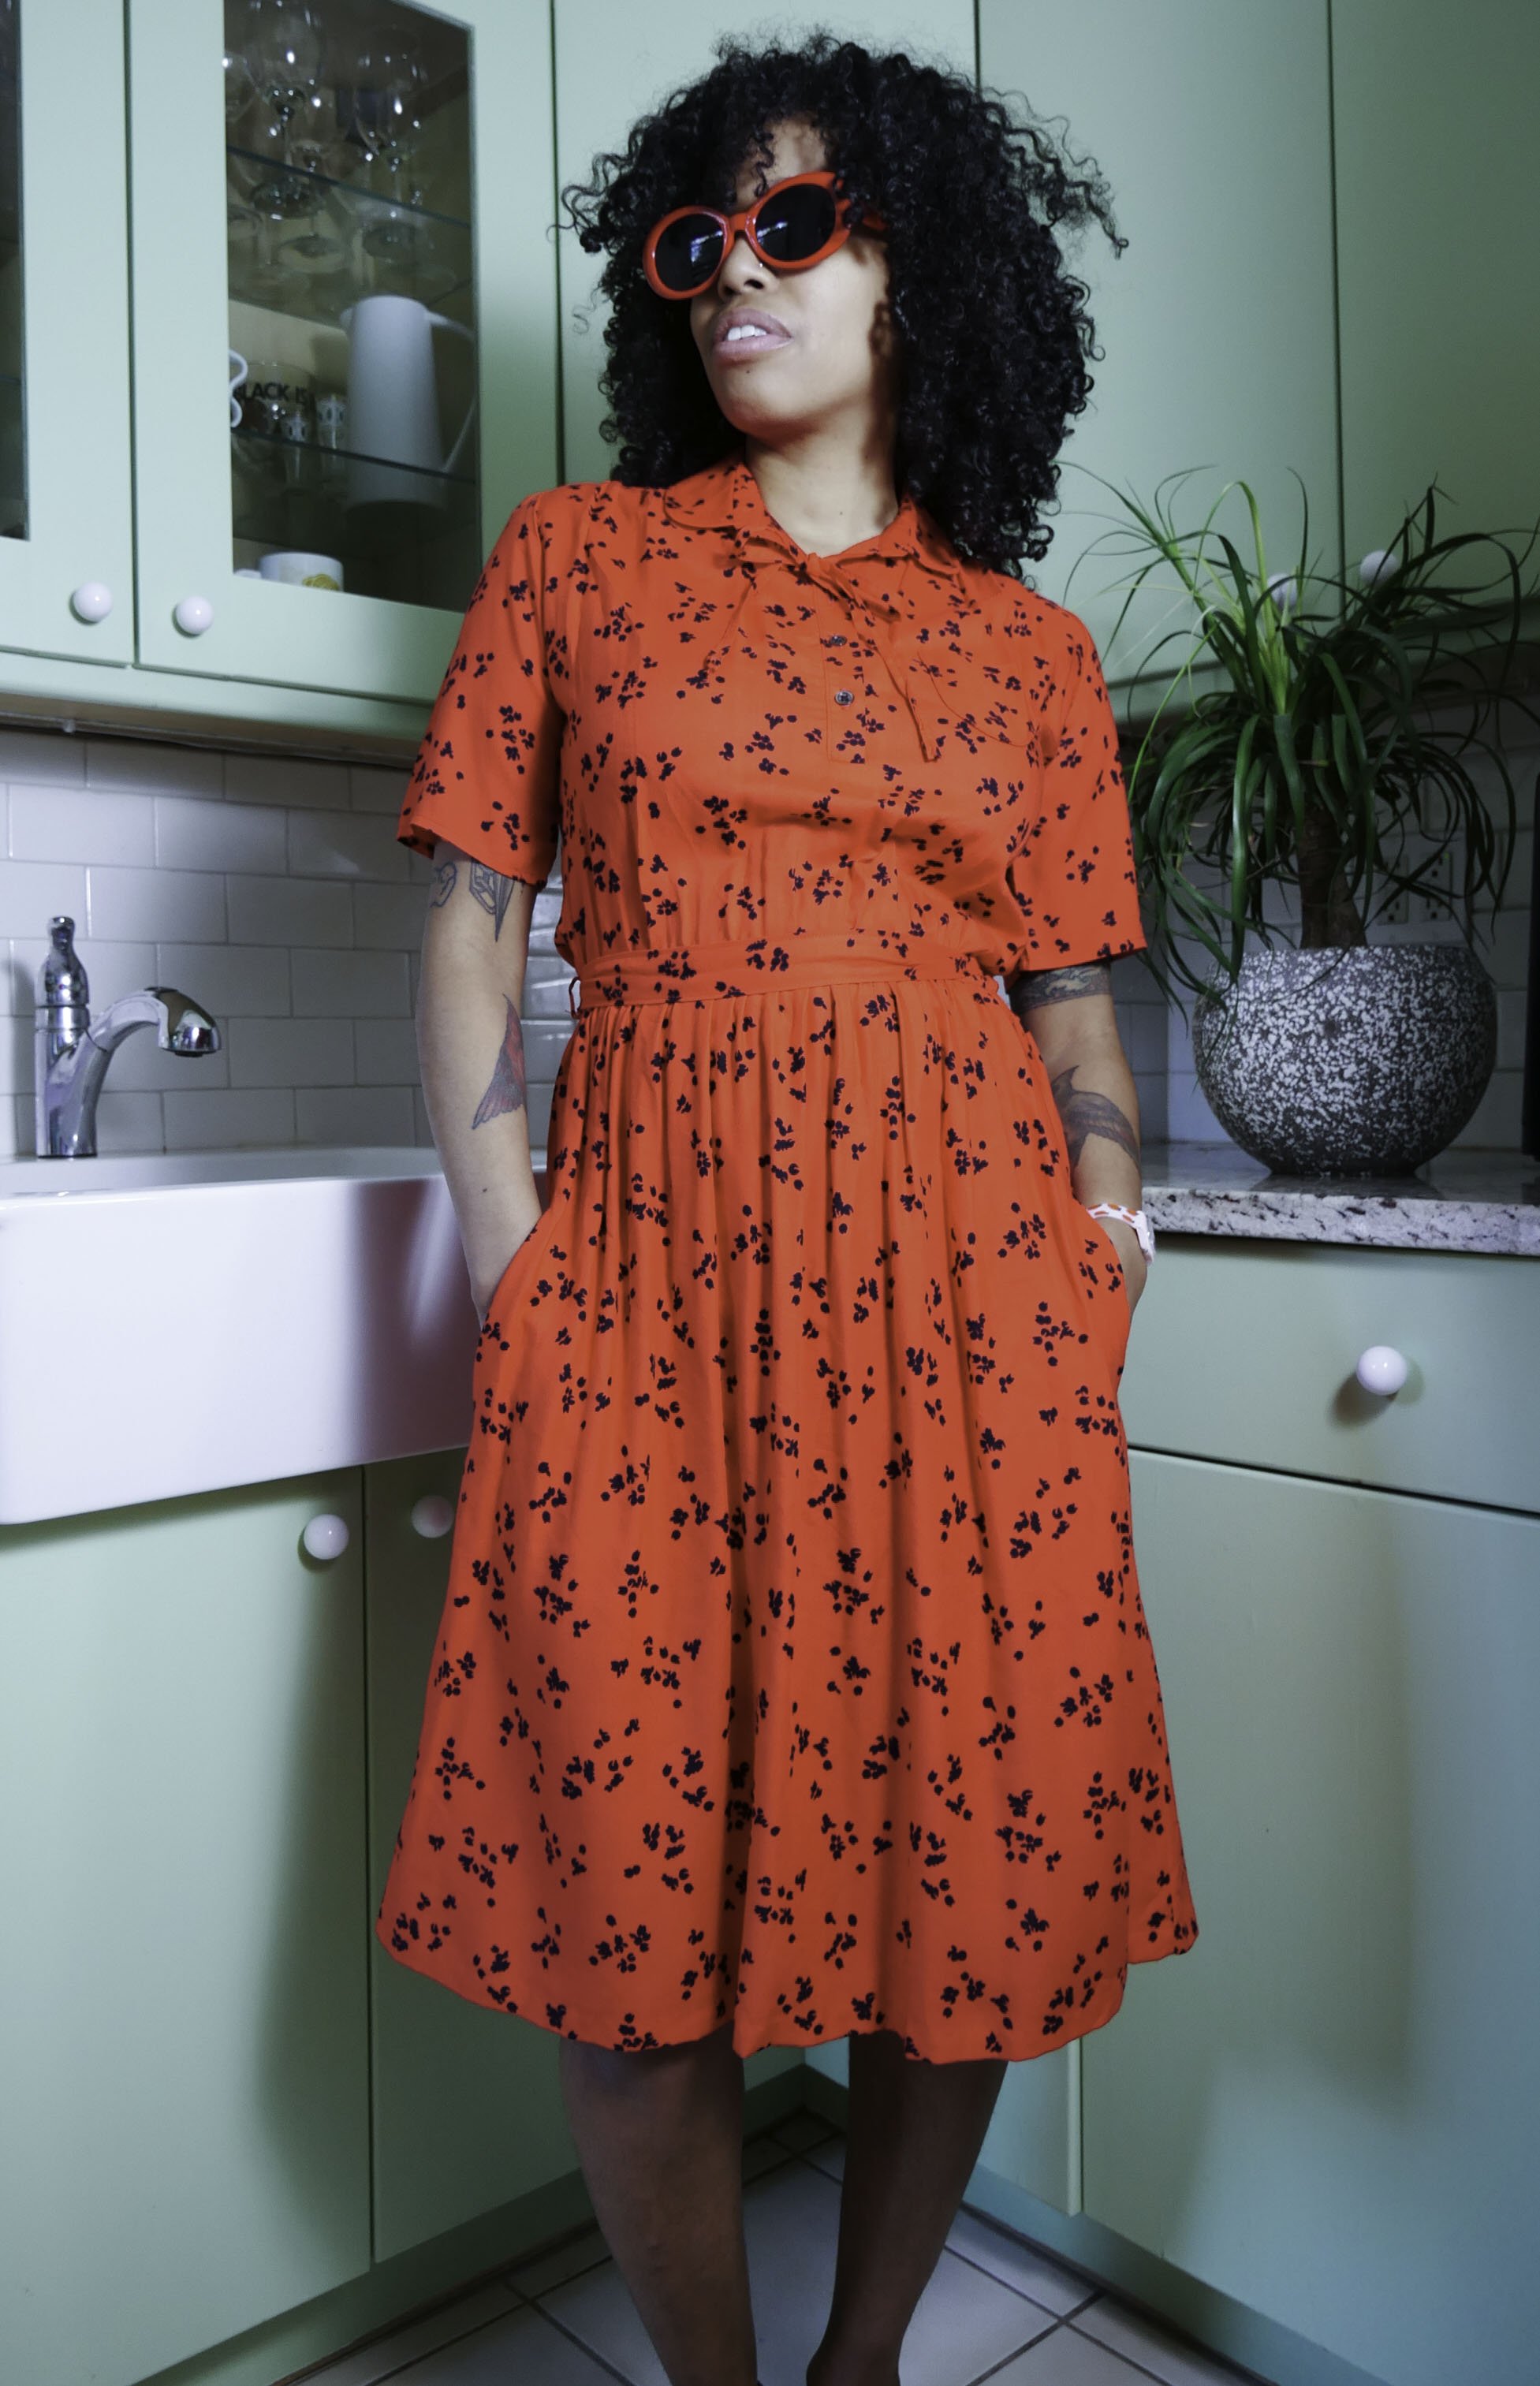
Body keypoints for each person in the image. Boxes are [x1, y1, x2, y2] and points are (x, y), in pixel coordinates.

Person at [379, 32, 1198, 2386]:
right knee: (628, 1907)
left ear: (914, 272)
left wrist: (1106, 1207)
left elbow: (1071, 1009)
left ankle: (859, 2370)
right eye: (699, 234)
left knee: (965, 1876)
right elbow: (466, 925)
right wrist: (516, 1255)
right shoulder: (583, 561)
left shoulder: (1029, 659)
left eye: (798, 221)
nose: (737, 263)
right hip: (637, 1288)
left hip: (975, 1306)